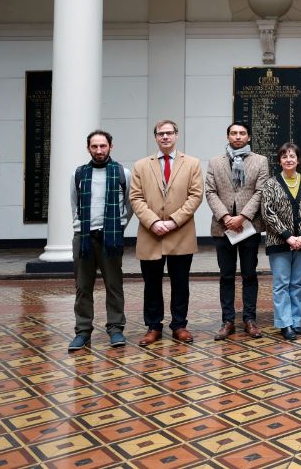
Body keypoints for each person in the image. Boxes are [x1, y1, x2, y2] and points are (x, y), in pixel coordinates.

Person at [129, 120, 204, 346]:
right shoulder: (141, 165)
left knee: (180, 282)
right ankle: (153, 326)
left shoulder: (192, 163)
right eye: (160, 134)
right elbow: (136, 197)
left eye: (169, 133)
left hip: (180, 233)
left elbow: (195, 196)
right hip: (151, 234)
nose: (165, 137)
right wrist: (153, 222)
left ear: (177, 135)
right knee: (151, 283)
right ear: (155, 137)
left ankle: (179, 325)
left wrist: (173, 221)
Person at [205, 121, 271, 341]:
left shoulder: (261, 161)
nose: (237, 137)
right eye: (233, 133)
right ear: (227, 137)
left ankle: (250, 320)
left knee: (249, 274)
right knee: (226, 275)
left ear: (249, 137)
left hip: (248, 227)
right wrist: (226, 217)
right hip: (222, 227)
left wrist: (242, 217)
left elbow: (261, 191)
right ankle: (228, 321)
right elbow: (210, 192)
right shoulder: (215, 162)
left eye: (242, 133)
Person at [68, 130, 132, 351]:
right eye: (94, 147)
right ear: (88, 148)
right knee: (82, 287)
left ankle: (115, 329)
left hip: (111, 238)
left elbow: (129, 206)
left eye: (103, 146)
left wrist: (119, 227)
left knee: (114, 285)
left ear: (110, 147)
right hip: (84, 237)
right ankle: (83, 331)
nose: (99, 150)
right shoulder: (79, 174)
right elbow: (75, 205)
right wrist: (81, 228)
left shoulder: (123, 173)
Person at [261, 142, 301, 341]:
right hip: (279, 242)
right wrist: (287, 235)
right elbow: (267, 212)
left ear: (298, 160)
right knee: (281, 284)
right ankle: (285, 323)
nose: (289, 159)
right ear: (279, 161)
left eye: (292, 156)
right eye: (284, 156)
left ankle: (296, 321)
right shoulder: (270, 184)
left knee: (297, 283)